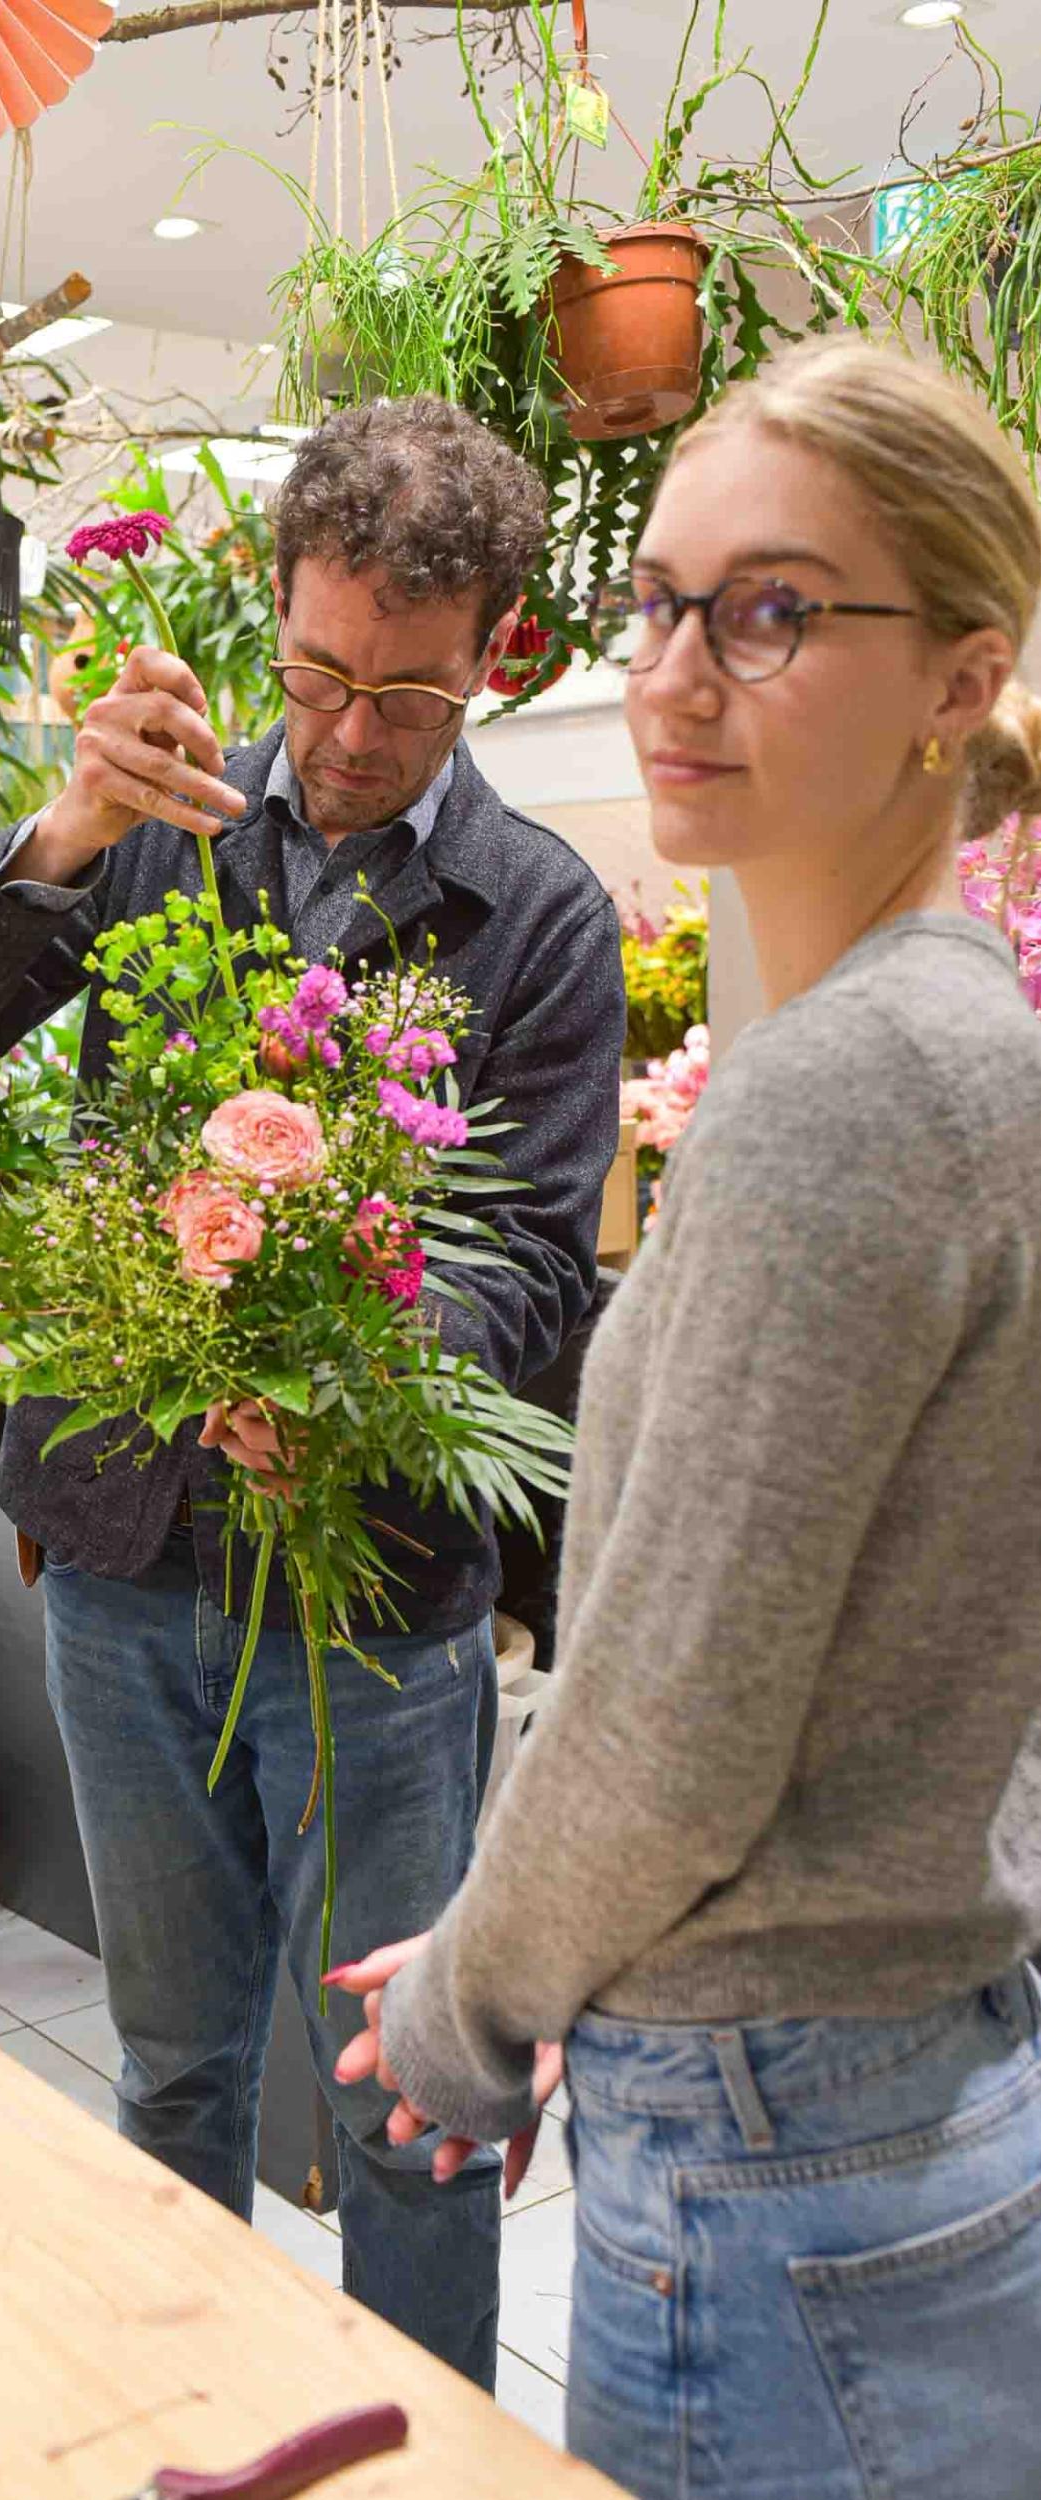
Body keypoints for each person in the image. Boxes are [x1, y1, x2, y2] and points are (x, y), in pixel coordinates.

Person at [0, 395, 626, 2389]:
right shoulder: (158, 834)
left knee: (397, 2100)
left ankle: (421, 2432)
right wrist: (59, 831)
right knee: (170, 2052)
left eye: (411, 699)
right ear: (272, 615)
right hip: (118, 1564)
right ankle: (174, 2403)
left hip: (369, 1600)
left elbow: (530, 1261)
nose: (351, 736)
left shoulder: (532, 916)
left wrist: (339, 1373)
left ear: (493, 656)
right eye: (318, 676)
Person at [332, 340, 1041, 2498]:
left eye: (770, 611)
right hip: (892, 2083)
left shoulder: (847, 1090)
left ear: (956, 677)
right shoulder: (954, 1039)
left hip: (770, 2144)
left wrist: (463, 1998)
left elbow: (670, 1720)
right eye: (654, 600)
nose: (673, 672)